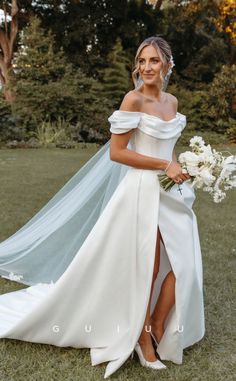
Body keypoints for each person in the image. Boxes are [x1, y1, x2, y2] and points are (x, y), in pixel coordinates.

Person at [0, 36, 205, 379]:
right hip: (140, 191)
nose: (146, 68)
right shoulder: (133, 99)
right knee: (148, 267)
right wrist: (162, 167)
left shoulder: (172, 101)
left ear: (168, 65)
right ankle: (142, 337)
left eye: (154, 61)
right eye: (142, 61)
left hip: (171, 195)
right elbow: (118, 153)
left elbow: (168, 150)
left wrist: (182, 170)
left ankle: (155, 324)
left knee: (185, 266)